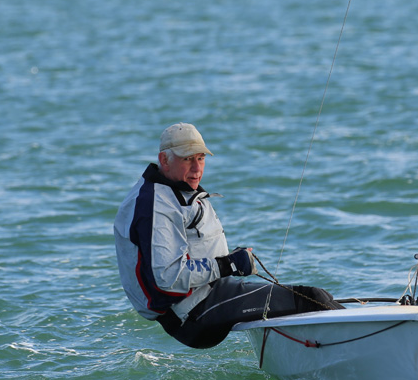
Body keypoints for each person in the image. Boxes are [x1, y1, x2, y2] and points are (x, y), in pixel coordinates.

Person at [114, 122, 342, 349]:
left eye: (201, 158)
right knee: (313, 298)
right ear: (164, 160)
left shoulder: (167, 192)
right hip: (194, 313)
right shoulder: (157, 205)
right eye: (187, 159)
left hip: (208, 297)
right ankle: (352, 350)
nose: (197, 168)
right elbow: (168, 277)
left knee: (320, 299)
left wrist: (227, 260)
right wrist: (228, 264)